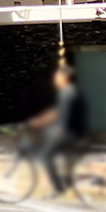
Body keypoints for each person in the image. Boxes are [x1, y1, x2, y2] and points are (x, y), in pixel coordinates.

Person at [29, 57, 89, 195]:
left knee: (45, 155)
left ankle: (57, 187)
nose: (55, 79)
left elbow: (64, 116)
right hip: (74, 131)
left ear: (64, 78)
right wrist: (38, 121)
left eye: (57, 76)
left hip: (71, 133)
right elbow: (56, 113)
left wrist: (58, 130)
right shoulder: (68, 92)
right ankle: (65, 177)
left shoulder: (67, 93)